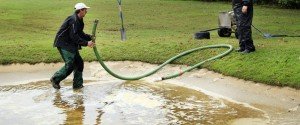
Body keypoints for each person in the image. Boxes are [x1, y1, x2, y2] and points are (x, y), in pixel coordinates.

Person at [50, 3, 95, 89]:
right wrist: (86, 43)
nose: (86, 11)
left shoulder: (79, 20)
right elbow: (74, 36)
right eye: (85, 9)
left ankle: (78, 85)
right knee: (70, 64)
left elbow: (80, 33)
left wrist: (89, 37)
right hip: (64, 43)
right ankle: (55, 79)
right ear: (80, 10)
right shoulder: (73, 20)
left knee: (79, 63)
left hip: (71, 44)